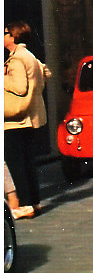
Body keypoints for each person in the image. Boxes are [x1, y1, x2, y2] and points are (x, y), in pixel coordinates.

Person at [4, 21, 49, 219]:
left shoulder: (16, 59)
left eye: (5, 33)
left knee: (16, 163)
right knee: (28, 162)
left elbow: (19, 87)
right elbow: (46, 73)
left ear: (13, 36)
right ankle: (34, 203)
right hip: (32, 117)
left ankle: (25, 205)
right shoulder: (30, 56)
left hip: (17, 119)